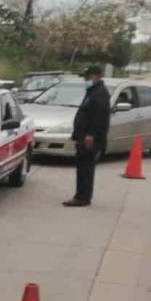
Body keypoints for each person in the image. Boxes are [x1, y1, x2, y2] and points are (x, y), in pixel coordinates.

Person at [64, 65, 110, 207]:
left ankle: (82, 197)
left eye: (87, 77)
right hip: (83, 136)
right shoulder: (92, 91)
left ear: (97, 76)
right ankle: (82, 195)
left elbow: (100, 118)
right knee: (82, 167)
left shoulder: (100, 93)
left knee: (86, 168)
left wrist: (90, 135)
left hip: (89, 138)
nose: (85, 79)